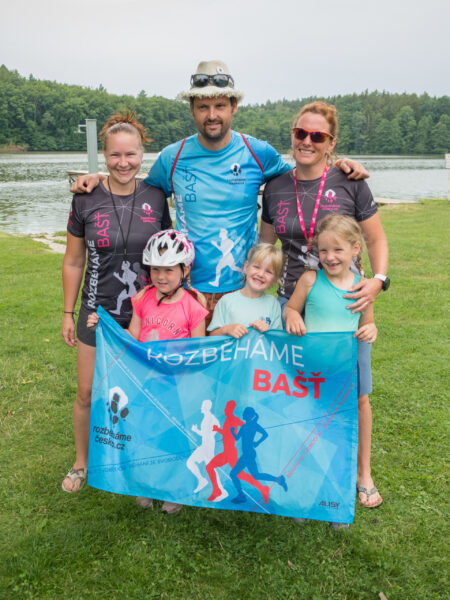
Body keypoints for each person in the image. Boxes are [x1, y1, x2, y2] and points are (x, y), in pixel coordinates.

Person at [70, 60, 369, 324]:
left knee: (240, 370)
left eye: (220, 106)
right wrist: (102, 178)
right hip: (186, 289)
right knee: (189, 368)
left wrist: (336, 164)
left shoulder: (258, 152)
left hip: (244, 290)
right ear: (192, 110)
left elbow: (302, 172)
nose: (211, 115)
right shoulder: (172, 157)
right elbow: (138, 187)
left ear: (233, 107)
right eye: (203, 107)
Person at [260, 101, 389, 509]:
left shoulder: (350, 181)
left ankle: (363, 474)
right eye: (301, 133)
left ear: (331, 143)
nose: (307, 141)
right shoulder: (276, 187)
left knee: (356, 393)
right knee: (297, 390)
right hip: (293, 302)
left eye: (318, 136)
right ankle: (301, 467)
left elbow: (375, 240)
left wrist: (378, 281)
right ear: (292, 135)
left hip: (345, 302)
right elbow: (266, 245)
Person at [61, 112, 172, 493]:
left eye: (130, 155)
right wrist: (67, 312)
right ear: (104, 156)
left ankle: (138, 458)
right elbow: (73, 261)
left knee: (144, 392)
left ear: (142, 154)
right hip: (97, 313)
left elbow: (169, 254)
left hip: (147, 315)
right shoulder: (85, 197)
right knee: (87, 392)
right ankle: (81, 463)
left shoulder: (156, 196)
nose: (123, 163)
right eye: (114, 155)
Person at [88, 229, 209, 514]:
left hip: (176, 386)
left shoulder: (193, 307)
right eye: (155, 269)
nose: (161, 276)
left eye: (168, 270)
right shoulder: (142, 299)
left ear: (185, 270)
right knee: (144, 435)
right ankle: (145, 484)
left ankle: (174, 490)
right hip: (145, 383)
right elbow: (132, 337)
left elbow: (198, 350)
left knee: (173, 439)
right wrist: (105, 326)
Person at [207, 243, 284, 338]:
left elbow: (278, 340)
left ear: (275, 280)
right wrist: (226, 329)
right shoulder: (226, 301)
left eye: (268, 272)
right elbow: (212, 337)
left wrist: (267, 331)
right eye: (256, 267)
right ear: (246, 267)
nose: (261, 274)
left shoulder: (273, 304)